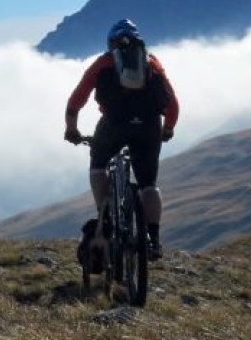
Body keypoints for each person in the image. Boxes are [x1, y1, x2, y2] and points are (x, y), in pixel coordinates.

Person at [63, 18, 179, 260]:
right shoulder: (153, 63)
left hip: (113, 125)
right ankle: (153, 239)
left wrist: (71, 129)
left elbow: (76, 100)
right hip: (148, 127)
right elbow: (173, 104)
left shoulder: (103, 63)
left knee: (98, 166)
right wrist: (167, 129)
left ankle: (104, 216)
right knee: (149, 185)